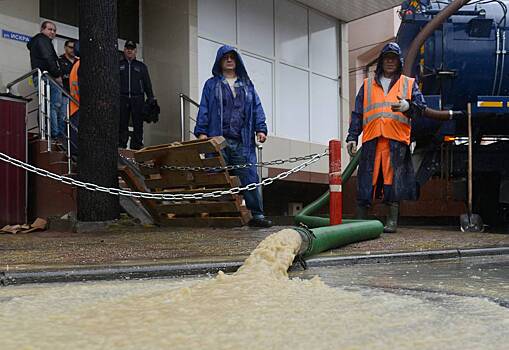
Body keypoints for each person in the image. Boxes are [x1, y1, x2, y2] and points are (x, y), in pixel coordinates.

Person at [346, 42, 426, 233]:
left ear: (399, 62)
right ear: (381, 62)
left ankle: (391, 221)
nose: (390, 62)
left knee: (393, 180)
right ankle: (360, 220)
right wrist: (352, 136)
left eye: (394, 59)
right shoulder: (367, 86)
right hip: (372, 139)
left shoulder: (408, 83)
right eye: (387, 58)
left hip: (396, 140)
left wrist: (408, 106)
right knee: (366, 179)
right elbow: (358, 113)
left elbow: (421, 108)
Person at [194, 45, 272, 228]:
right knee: (216, 177)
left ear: (237, 61)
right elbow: (204, 108)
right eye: (225, 57)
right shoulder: (211, 84)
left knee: (249, 176)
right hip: (217, 140)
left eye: (232, 57)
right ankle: (219, 214)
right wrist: (201, 131)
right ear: (219, 61)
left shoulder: (247, 85)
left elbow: (256, 108)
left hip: (242, 141)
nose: (229, 60)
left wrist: (261, 129)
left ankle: (257, 215)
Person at [27, 21, 63, 139]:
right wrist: (57, 74)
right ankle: (53, 134)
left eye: (54, 30)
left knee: (45, 104)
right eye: (50, 29)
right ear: (42, 29)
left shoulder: (40, 41)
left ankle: (47, 132)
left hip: (43, 76)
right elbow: (48, 57)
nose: (52, 32)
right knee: (52, 105)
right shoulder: (42, 39)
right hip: (47, 76)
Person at [119, 40, 155, 150]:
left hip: (138, 98)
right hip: (122, 98)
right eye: (127, 48)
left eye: (132, 49)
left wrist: (151, 98)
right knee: (122, 124)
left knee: (138, 124)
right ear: (124, 50)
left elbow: (147, 83)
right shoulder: (118, 65)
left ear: (136, 51)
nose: (130, 50)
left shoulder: (141, 66)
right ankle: (121, 146)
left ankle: (137, 146)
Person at [57, 39, 77, 139]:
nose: (73, 50)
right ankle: (62, 138)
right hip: (64, 94)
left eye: (74, 48)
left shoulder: (78, 61)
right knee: (63, 118)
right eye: (70, 47)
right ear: (65, 47)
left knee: (75, 120)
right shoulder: (60, 60)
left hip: (77, 97)